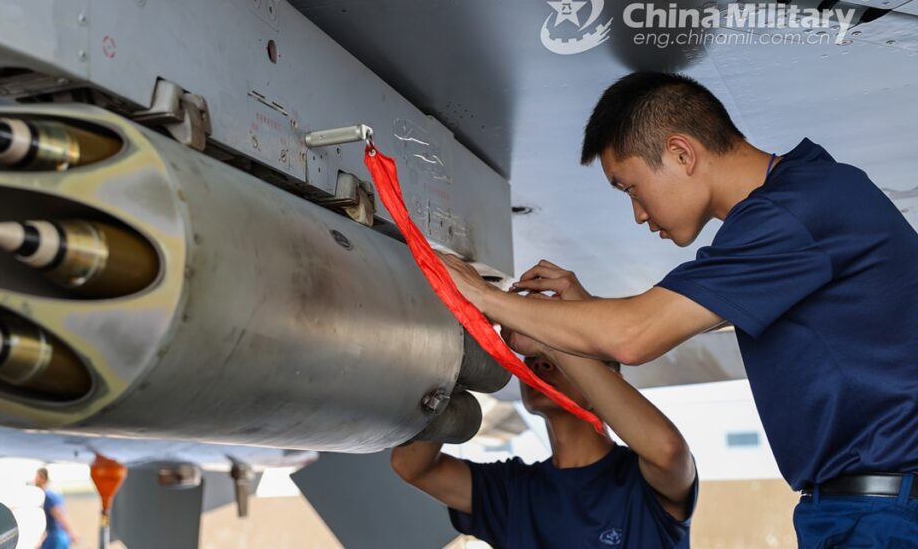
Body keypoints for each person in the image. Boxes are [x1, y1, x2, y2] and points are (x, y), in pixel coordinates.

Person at [438, 71, 918, 546]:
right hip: (859, 508)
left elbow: (635, 336)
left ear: (681, 153)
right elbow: (670, 317)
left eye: (630, 188)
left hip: (883, 511)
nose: (639, 214)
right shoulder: (799, 203)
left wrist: (483, 297)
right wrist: (585, 314)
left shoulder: (791, 212)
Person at [391, 307, 698, 548]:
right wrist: (461, 354)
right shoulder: (515, 492)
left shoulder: (641, 485)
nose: (539, 362)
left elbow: (667, 449)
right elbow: (412, 466)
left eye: (563, 353)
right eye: (533, 356)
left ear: (611, 384)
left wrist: (547, 339)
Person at [34, 467, 79, 549]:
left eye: (36, 477)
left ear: (42, 477)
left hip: (56, 538)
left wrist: (72, 533)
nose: (34, 481)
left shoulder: (48, 496)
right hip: (56, 537)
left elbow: (60, 516)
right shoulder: (54, 493)